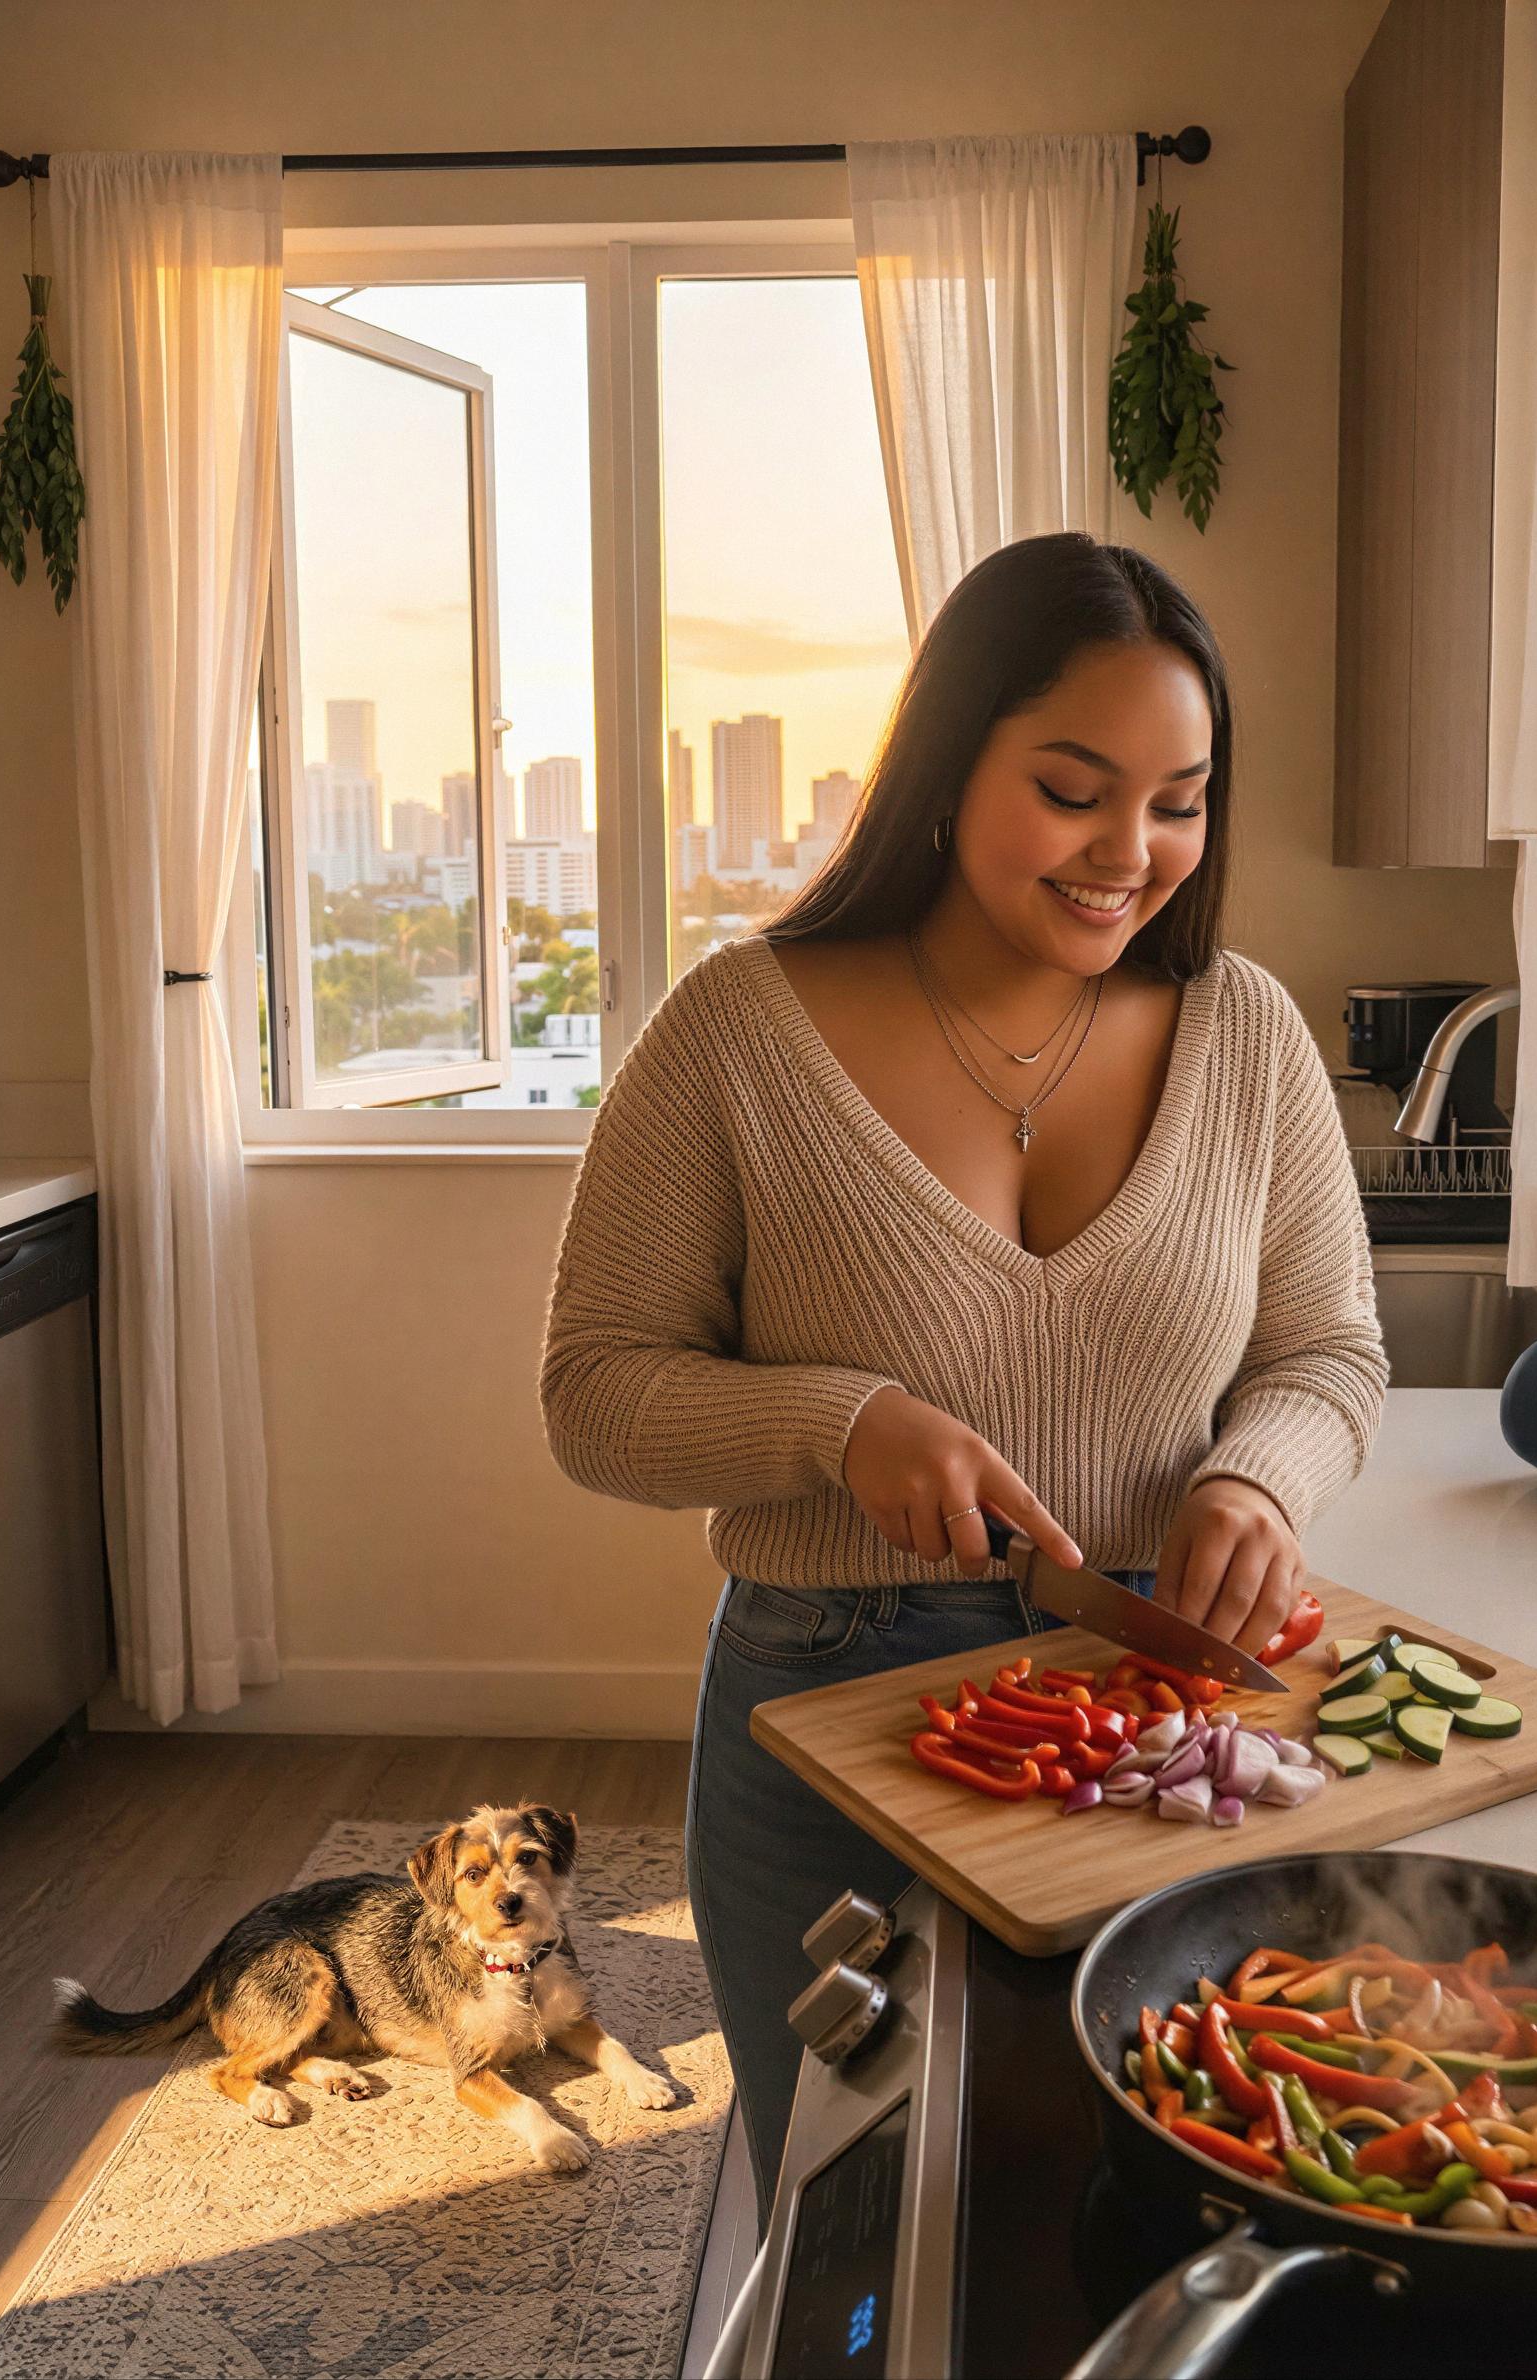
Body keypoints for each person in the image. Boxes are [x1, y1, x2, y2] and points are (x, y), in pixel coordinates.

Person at [539, 532, 1387, 2206]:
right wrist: (836, 1425)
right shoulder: (736, 1029)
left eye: (1180, 802)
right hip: (829, 1715)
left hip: (1163, 1721)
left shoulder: (1246, 1033)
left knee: (1144, 2197)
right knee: (850, 2218)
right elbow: (595, 1393)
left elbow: (1328, 1350)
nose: (1130, 854)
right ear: (945, 766)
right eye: (1073, 791)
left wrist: (1256, 1477)